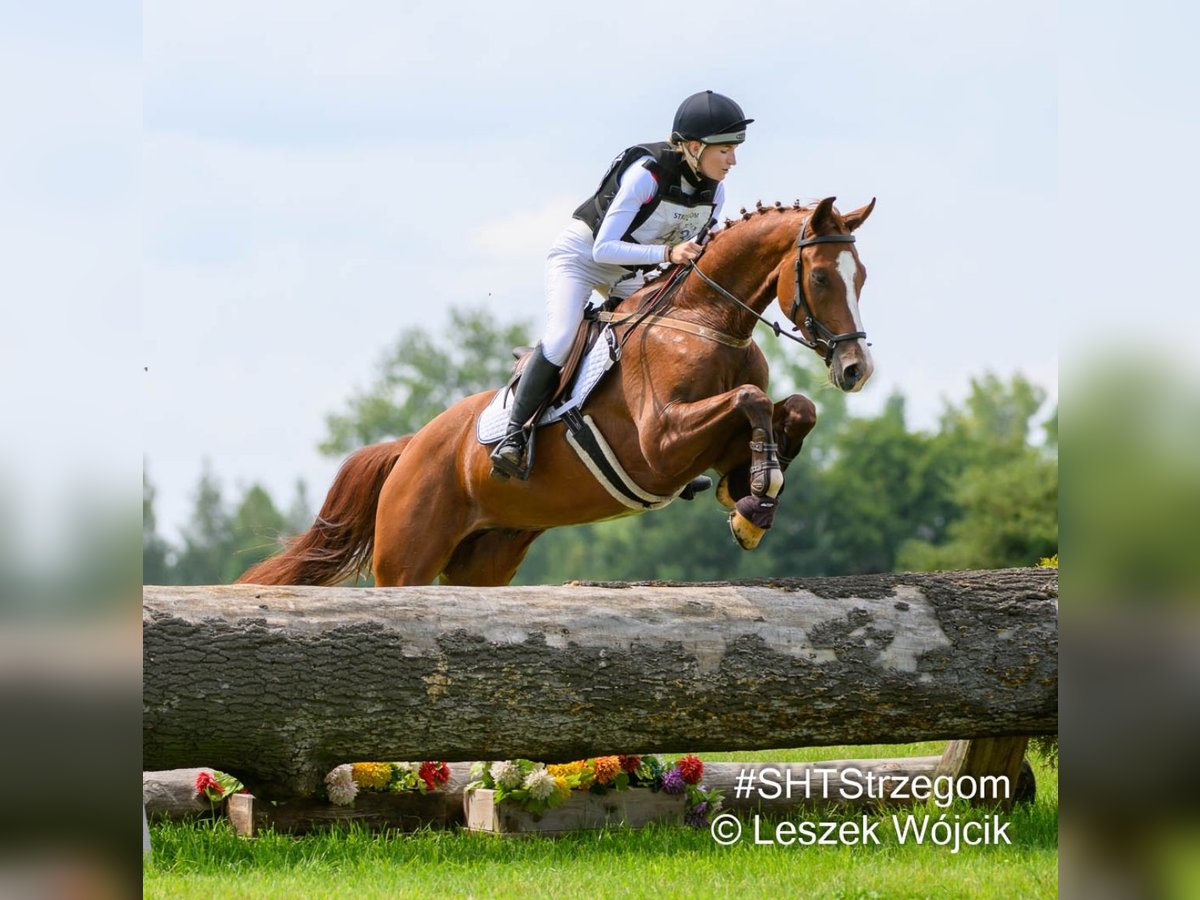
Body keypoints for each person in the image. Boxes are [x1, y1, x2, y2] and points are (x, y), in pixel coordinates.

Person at [490, 90, 753, 479]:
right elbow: (604, 248)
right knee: (563, 337)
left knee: (658, 341)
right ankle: (513, 435)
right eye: (725, 150)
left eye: (734, 150)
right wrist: (667, 255)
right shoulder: (646, 174)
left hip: (630, 273)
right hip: (582, 260)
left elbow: (694, 250)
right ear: (695, 147)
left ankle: (667, 441)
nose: (733, 160)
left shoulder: (715, 192)